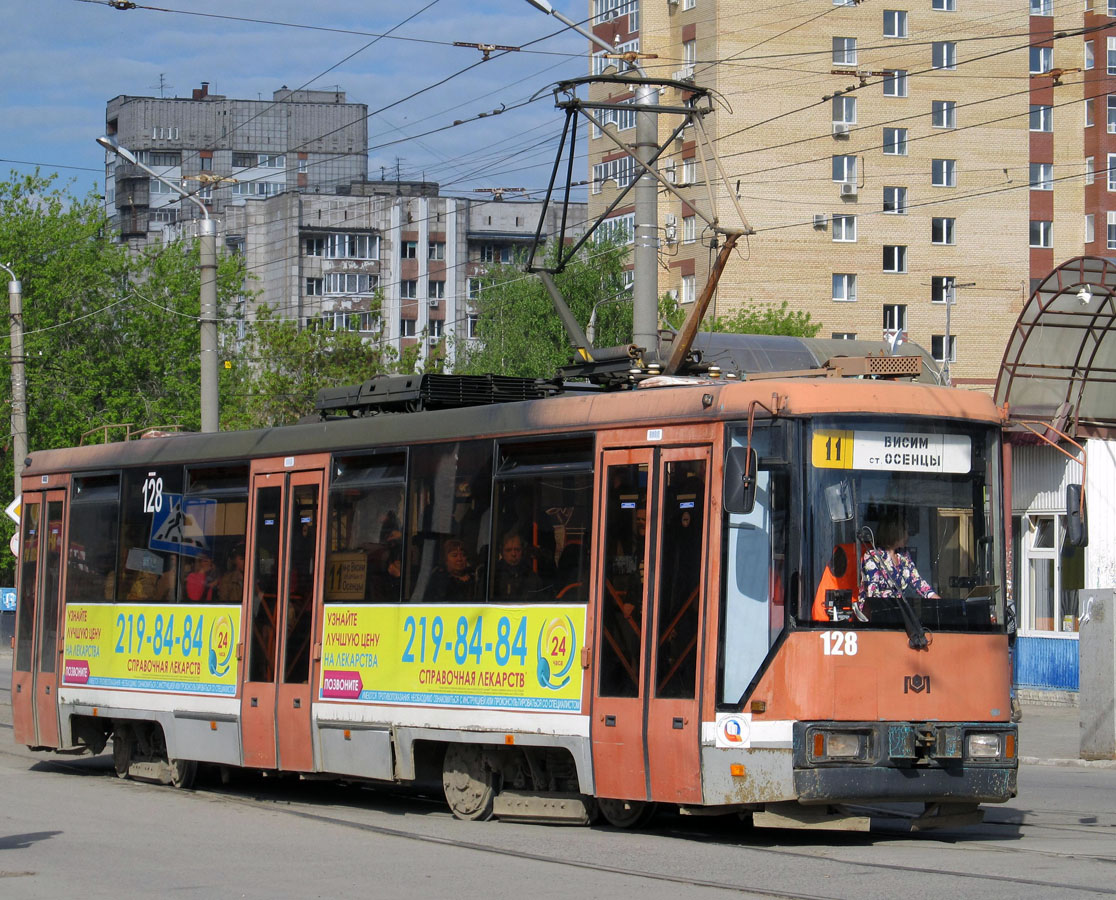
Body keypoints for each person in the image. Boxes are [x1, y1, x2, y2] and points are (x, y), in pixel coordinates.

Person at [858, 509, 938, 619]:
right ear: (894, 533)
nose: (907, 535)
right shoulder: (873, 557)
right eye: (905, 531)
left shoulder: (904, 556)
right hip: (876, 618)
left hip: (898, 615)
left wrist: (937, 600)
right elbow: (873, 595)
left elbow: (919, 583)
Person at [492, 531, 548, 603]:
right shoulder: (493, 576)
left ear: (523, 551)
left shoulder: (532, 577)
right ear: (502, 552)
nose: (513, 554)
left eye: (517, 550)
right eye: (508, 550)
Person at [428, 539, 477, 603]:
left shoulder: (475, 576)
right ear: (445, 560)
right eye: (454, 555)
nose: (459, 559)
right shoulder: (439, 579)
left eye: (463, 555)